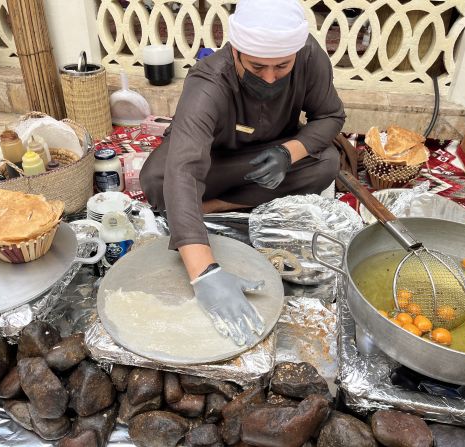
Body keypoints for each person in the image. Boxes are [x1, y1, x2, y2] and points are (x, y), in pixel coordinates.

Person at [140, 0, 345, 347]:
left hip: (270, 154)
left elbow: (330, 117)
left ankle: (214, 205)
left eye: (282, 67)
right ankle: (199, 210)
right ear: (235, 51)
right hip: (213, 159)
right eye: (257, 67)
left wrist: (288, 152)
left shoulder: (309, 56)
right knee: (159, 179)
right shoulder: (208, 81)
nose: (269, 77)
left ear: (296, 52)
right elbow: (187, 168)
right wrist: (205, 273)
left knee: (327, 163)